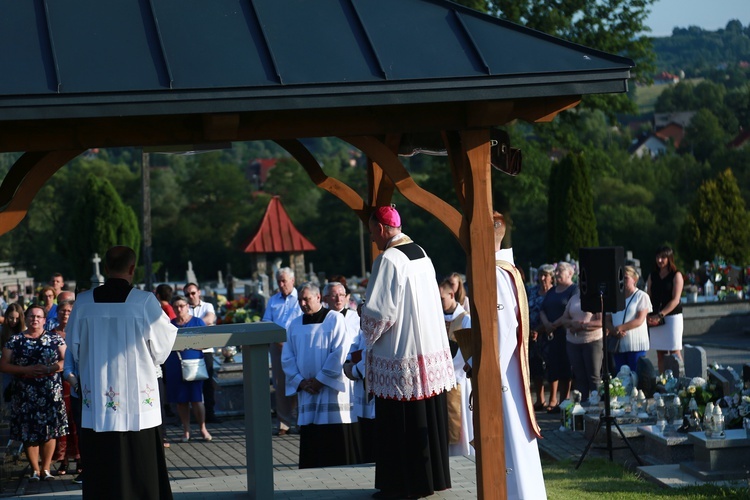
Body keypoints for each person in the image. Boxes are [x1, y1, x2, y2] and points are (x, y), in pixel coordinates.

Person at [67, 246, 177, 499]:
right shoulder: (144, 301)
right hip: (137, 398)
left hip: (97, 398)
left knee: (102, 466)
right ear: (132, 268)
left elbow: (73, 346)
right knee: (141, 462)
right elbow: (162, 347)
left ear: (105, 269)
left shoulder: (83, 302)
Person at [360, 206, 454, 499]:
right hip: (427, 346)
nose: (372, 237)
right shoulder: (420, 252)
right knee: (424, 415)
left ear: (383, 228)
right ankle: (431, 479)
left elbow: (380, 312)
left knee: (399, 419)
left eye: (373, 230)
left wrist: (363, 315)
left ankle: (401, 484)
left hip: (401, 352)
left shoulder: (388, 259)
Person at [491, 211, 547, 499]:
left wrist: (487, 373)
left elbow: (502, 328)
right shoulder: (506, 269)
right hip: (509, 367)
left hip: (502, 371)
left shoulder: (497, 273)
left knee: (510, 438)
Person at [282, 283, 358, 468]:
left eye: (306, 299)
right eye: (300, 299)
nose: (302, 303)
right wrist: (301, 382)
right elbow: (287, 357)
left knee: (332, 434)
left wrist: (320, 380)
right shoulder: (294, 324)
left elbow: (339, 351)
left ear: (318, 298)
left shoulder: (334, 319)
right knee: (311, 433)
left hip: (328, 389)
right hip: (307, 390)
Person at [0, 304, 68, 481]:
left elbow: (66, 361)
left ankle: (46, 468)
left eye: (38, 317)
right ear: (26, 318)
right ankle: (35, 470)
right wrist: (26, 369)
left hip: (49, 392)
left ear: (44, 320)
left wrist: (50, 367)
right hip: (25, 392)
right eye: (31, 316)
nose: (35, 319)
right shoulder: (15, 340)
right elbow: (4, 364)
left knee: (50, 431)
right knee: (28, 431)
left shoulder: (55, 339)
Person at [262, 267, 302, 436]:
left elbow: (303, 321)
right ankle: (283, 424)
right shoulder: (273, 300)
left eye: (284, 280)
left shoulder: (300, 299)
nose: (281, 284)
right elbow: (266, 321)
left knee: (299, 383)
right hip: (277, 347)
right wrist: (276, 337)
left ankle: (301, 421)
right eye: (278, 281)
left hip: (297, 347)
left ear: (292, 280)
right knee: (280, 384)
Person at [166, 295, 211, 442]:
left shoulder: (197, 322)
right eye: (176, 306)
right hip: (175, 364)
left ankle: (203, 428)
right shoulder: (170, 325)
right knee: (181, 400)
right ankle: (186, 430)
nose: (179, 309)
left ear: (187, 307)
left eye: (182, 306)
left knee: (197, 399)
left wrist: (191, 345)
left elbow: (207, 342)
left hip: (194, 364)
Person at [438, 279, 474, 457]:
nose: (439, 303)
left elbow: (465, 351)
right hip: (439, 380)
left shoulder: (465, 318)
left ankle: (464, 456)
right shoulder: (435, 318)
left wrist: (448, 369)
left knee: (461, 426)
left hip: (458, 378)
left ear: (451, 295)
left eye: (441, 298)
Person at [539, 261, 577, 412]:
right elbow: (543, 309)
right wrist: (547, 324)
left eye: (560, 270)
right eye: (556, 271)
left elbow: (570, 310)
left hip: (565, 333)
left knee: (566, 368)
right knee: (554, 367)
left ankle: (564, 401)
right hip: (551, 335)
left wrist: (554, 324)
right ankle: (556, 401)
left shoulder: (574, 290)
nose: (556, 273)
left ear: (570, 273)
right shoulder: (552, 291)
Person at [183, 283, 219, 423]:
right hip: (190, 350)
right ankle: (194, 416)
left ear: (198, 292)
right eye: (187, 294)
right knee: (190, 382)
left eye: (192, 293)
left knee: (208, 383)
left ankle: (210, 413)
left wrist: (191, 325)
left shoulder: (207, 306)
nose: (190, 296)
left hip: (206, 349)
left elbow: (210, 319)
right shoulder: (185, 308)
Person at [606, 266, 652, 374]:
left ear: (634, 279)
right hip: (618, 344)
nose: (621, 280)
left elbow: (639, 319)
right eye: (619, 278)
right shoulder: (613, 297)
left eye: (625, 278)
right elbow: (607, 319)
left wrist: (620, 328)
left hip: (636, 344)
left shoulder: (641, 296)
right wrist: (613, 330)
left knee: (636, 377)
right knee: (621, 377)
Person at [51, 299, 79, 476]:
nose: (65, 314)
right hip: (56, 383)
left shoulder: (77, 331)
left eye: (69, 311)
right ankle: (63, 460)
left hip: (74, 381)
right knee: (62, 422)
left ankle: (79, 458)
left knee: (75, 421)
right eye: (62, 311)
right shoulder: (51, 334)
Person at [560, 289, 603, 403]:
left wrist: (582, 326)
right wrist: (571, 324)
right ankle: (582, 407)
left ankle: (596, 406)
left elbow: (601, 321)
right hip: (573, 342)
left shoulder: (597, 298)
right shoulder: (573, 298)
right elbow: (564, 318)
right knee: (579, 377)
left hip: (592, 341)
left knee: (594, 377)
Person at [646, 246, 684, 373]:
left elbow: (675, 300)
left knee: (674, 350)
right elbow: (649, 296)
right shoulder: (653, 275)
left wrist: (661, 314)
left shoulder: (676, 275)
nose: (660, 260)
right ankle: (663, 381)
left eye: (663, 257)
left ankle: (680, 379)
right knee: (660, 353)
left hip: (672, 317)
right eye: (658, 257)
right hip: (656, 316)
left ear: (669, 259)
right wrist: (648, 314)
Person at [526, 264, 555, 411]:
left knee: (551, 366)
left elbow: (554, 314)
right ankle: (540, 399)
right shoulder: (532, 291)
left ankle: (553, 398)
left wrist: (540, 330)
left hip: (549, 333)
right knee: (535, 366)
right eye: (540, 275)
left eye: (545, 275)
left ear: (552, 277)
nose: (542, 278)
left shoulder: (554, 293)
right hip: (532, 335)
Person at [1, 303, 25, 407]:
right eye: (11, 317)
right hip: (6, 370)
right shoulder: (2, 330)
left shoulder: (24, 331)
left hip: (22, 369)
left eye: (17, 318)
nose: (14, 321)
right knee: (7, 397)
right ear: (6, 316)